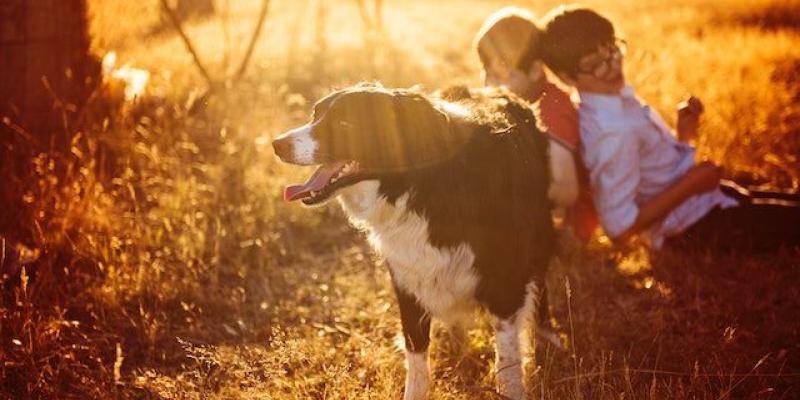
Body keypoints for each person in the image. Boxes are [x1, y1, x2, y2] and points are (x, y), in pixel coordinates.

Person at [537, 5, 800, 254]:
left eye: (613, 49)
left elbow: (653, 172)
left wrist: (684, 135)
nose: (614, 65)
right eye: (597, 63)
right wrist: (691, 184)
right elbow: (619, 227)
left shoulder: (614, 99)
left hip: (707, 200)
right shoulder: (610, 132)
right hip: (694, 227)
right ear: (567, 77)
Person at [473, 7, 598, 242]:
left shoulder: (552, 110)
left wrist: (511, 195)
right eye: (487, 74)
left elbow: (566, 190)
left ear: (535, 70)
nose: (491, 86)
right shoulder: (515, 102)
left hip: (569, 226)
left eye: (502, 76)